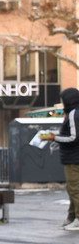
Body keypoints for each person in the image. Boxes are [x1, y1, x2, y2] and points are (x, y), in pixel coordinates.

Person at [41, 88, 79, 230]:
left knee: (74, 189)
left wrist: (54, 137)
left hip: (73, 158)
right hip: (73, 157)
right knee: (72, 189)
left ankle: (77, 219)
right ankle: (72, 217)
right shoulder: (74, 113)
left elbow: (74, 137)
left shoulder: (73, 114)